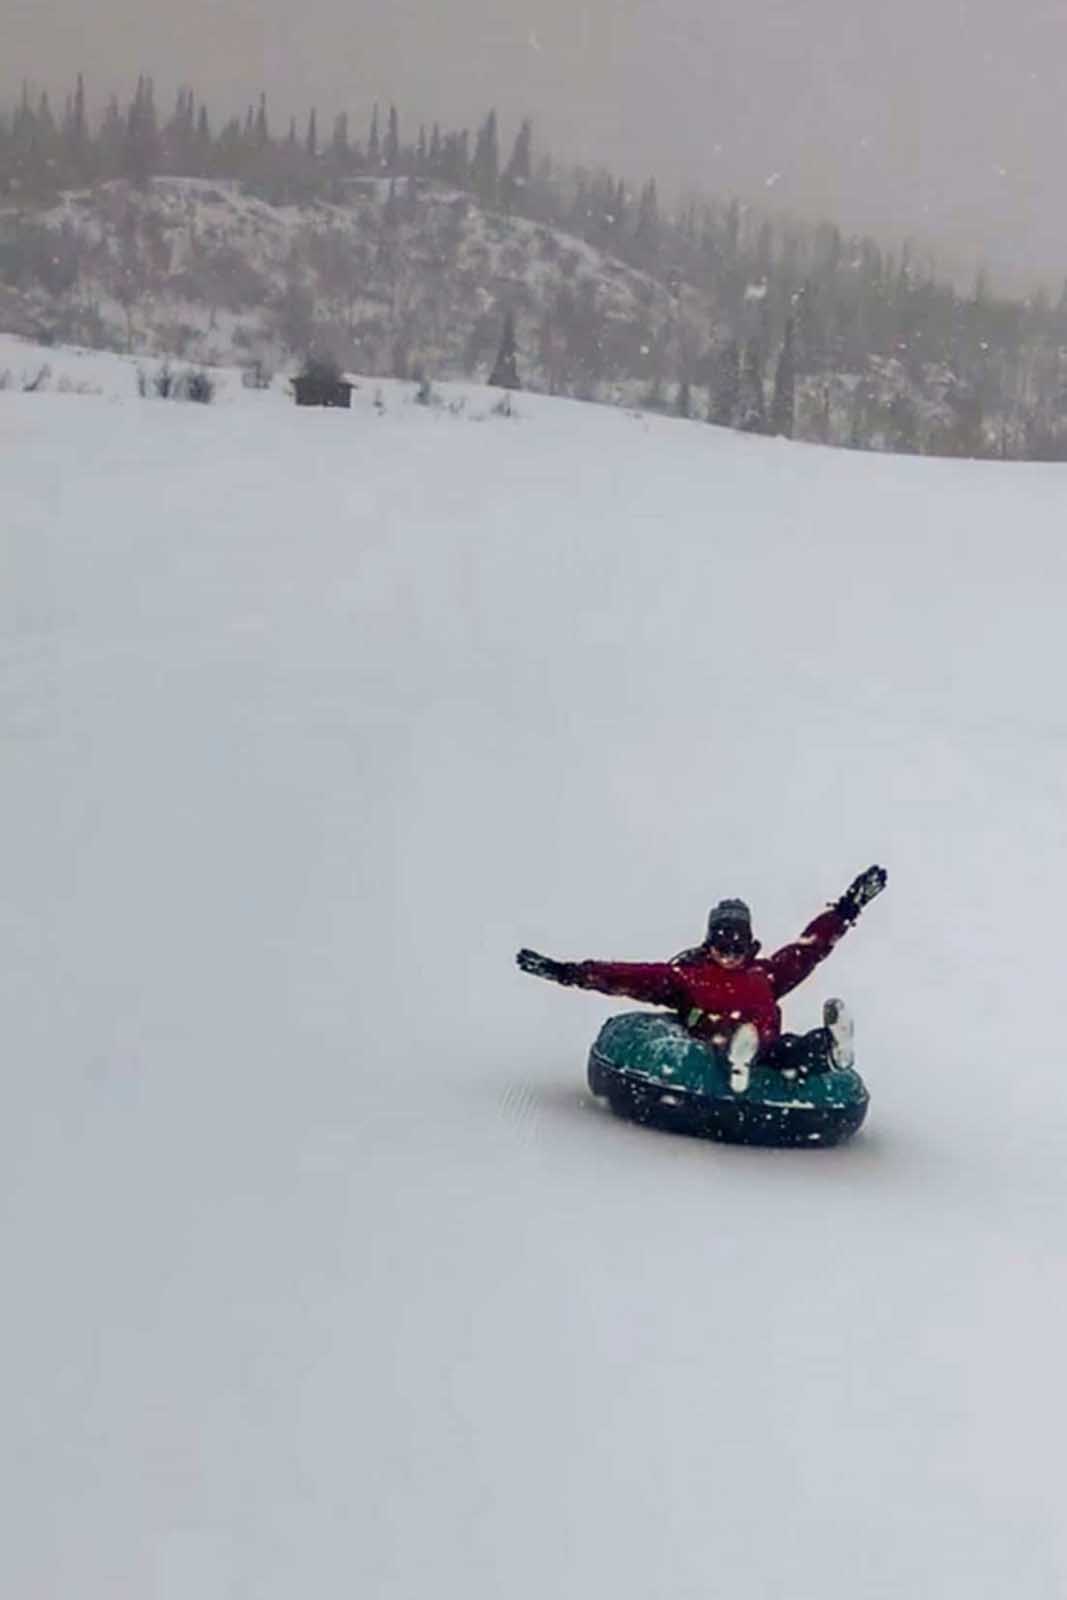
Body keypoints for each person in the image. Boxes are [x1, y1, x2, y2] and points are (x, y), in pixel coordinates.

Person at [516, 866, 887, 1089]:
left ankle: (829, 1047)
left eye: (737, 945)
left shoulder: (766, 974)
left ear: (749, 945)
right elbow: (627, 976)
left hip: (766, 1043)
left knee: (790, 1049)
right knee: (727, 1037)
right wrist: (569, 972)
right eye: (722, 944)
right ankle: (738, 1062)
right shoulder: (687, 977)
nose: (728, 954)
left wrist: (848, 905)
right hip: (717, 1040)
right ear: (709, 944)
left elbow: (809, 948)